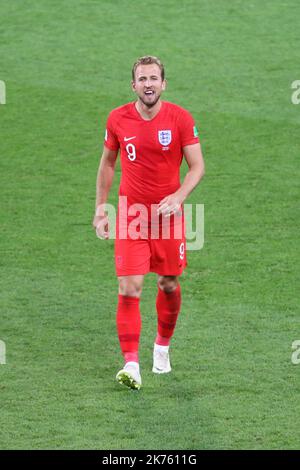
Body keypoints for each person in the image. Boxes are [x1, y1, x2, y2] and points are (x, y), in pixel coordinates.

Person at [93, 56, 205, 390]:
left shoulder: (180, 118)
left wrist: (179, 197)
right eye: (142, 79)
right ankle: (131, 365)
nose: (148, 84)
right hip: (131, 216)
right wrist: (101, 207)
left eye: (154, 78)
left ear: (163, 84)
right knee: (130, 287)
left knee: (168, 283)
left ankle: (161, 347)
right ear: (133, 85)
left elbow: (197, 166)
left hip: (168, 218)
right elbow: (108, 165)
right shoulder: (118, 119)